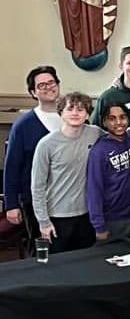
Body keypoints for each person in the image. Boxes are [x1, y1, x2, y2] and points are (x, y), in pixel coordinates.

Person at [31, 92, 101, 253]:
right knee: (57, 267)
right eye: (70, 109)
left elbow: (117, 138)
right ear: (61, 112)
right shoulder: (46, 144)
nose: (75, 113)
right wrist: (44, 222)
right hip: (57, 217)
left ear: (88, 114)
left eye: (81, 109)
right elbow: (37, 187)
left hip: (86, 214)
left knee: (84, 263)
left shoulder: (95, 133)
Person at [4, 66, 62, 242]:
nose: (48, 87)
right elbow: (12, 166)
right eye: (41, 85)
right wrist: (11, 204)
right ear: (33, 92)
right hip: (35, 200)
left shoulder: (72, 116)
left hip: (68, 198)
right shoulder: (23, 125)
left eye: (51, 82)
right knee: (42, 249)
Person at [86, 103, 130, 242]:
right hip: (114, 220)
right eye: (112, 118)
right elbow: (94, 189)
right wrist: (99, 226)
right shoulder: (99, 151)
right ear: (104, 122)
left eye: (122, 117)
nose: (118, 122)